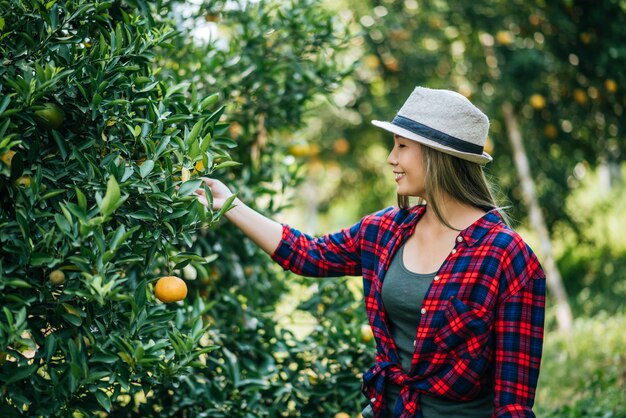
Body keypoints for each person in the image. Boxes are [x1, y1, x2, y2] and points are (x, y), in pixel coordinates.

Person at [194, 86, 546, 418]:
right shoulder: (386, 230)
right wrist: (230, 204)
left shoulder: (506, 256)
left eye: (402, 146)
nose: (391, 158)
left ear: (438, 155)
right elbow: (308, 255)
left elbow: (513, 404)